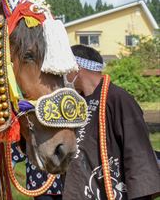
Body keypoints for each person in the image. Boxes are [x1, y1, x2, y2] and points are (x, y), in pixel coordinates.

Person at [63, 44, 160, 199]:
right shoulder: (75, 101)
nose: (62, 74)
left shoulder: (118, 99)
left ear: (77, 67)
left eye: (65, 68)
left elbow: (137, 151)